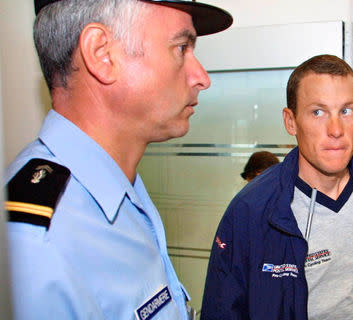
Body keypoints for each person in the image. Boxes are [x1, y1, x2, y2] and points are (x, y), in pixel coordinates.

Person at [4, 0, 232, 319]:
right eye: (181, 48)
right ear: (102, 54)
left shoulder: (123, 190)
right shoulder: (37, 243)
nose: (201, 77)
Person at [201, 54, 353, 319]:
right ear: (290, 121)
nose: (336, 129)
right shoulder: (251, 210)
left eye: (346, 111)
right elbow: (223, 310)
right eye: (318, 112)